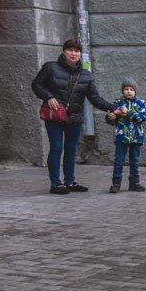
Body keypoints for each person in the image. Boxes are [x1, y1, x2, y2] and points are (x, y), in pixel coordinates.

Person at [30, 39, 117, 194]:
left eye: (76, 51)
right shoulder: (50, 67)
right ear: (64, 51)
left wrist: (112, 108)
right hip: (55, 115)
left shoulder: (86, 75)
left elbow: (95, 98)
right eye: (70, 50)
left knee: (71, 149)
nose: (73, 54)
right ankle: (56, 184)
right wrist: (48, 97)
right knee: (56, 148)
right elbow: (36, 84)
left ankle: (70, 182)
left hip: (74, 117)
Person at [107, 77, 146, 193]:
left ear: (135, 91)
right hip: (121, 136)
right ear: (122, 91)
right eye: (126, 89)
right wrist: (111, 117)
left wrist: (127, 113)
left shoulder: (141, 103)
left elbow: (142, 118)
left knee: (134, 160)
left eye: (131, 89)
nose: (128, 91)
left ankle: (134, 183)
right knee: (119, 160)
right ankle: (116, 184)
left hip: (136, 137)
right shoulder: (118, 103)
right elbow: (111, 118)